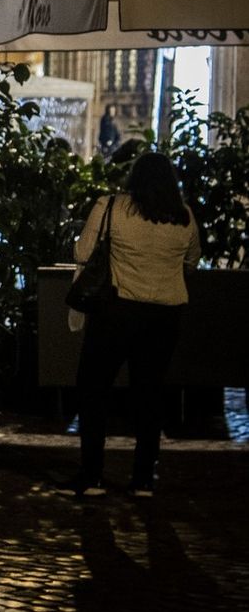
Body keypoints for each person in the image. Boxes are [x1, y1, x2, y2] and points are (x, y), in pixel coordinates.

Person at [69, 152, 201, 498]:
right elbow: (192, 261)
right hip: (164, 315)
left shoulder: (110, 206)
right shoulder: (184, 217)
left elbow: (83, 252)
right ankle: (143, 479)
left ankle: (92, 474)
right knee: (149, 394)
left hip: (117, 310)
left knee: (94, 389)